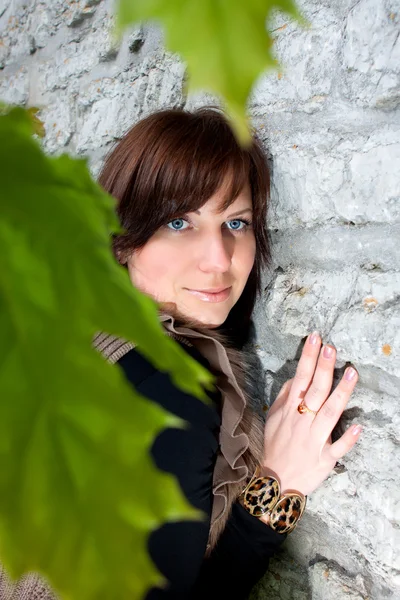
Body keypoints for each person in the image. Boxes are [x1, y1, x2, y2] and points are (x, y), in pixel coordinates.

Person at [0, 106, 361, 600]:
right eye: (178, 221)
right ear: (124, 238)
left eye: (236, 222)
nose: (217, 260)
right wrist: (273, 496)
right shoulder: (169, 396)